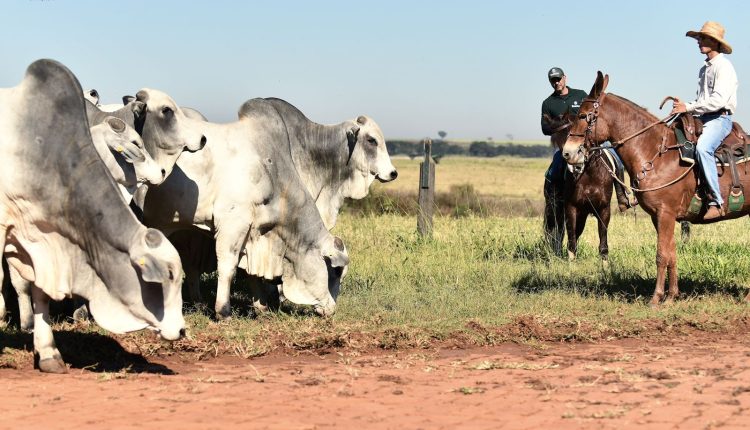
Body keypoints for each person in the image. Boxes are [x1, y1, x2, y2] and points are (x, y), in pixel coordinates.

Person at [540, 67, 631, 254]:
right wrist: (564, 123)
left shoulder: (580, 95)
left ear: (565, 78)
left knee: (615, 157)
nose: (556, 82)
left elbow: (592, 113)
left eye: (558, 79)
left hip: (590, 142)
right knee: (554, 169)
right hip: (568, 144)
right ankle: (555, 197)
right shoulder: (548, 103)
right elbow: (545, 128)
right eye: (553, 80)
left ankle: (622, 196)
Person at [670, 21, 738, 221]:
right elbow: (702, 100)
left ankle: (717, 201)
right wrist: (685, 106)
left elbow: (718, 100)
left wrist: (689, 107)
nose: (699, 41)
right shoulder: (704, 69)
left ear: (716, 43)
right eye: (699, 38)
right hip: (703, 117)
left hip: (720, 118)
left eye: (704, 38)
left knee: (703, 149)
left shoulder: (724, 67)